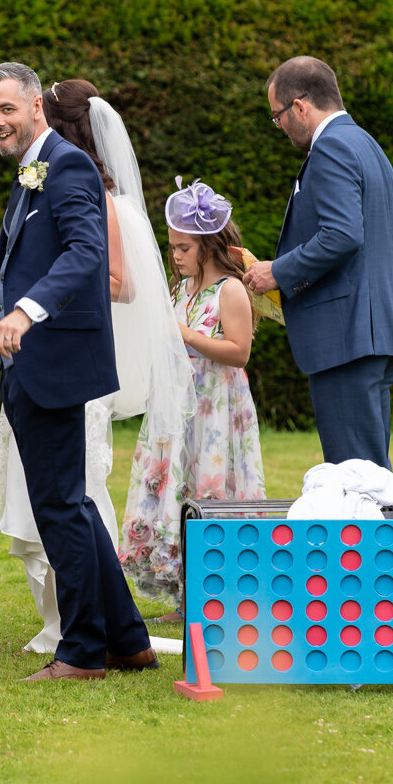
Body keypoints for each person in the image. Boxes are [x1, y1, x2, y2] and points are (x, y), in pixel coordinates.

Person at [0, 78, 189, 653]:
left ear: (36, 105)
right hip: (36, 362)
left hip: (54, 361)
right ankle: (129, 638)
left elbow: (85, 254)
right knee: (76, 505)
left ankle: (84, 649)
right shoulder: (31, 170)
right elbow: (27, 261)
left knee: (60, 508)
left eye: (8, 108)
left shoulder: (65, 167)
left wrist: (23, 312)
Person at [241, 56, 393, 469]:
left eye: (277, 116)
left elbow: (342, 235)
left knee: (355, 478)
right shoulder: (368, 146)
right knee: (368, 473)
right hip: (371, 334)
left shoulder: (332, 148)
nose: (279, 126)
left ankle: (385, 534)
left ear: (300, 106)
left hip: (347, 341)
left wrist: (277, 272)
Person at [120, 181, 266, 603]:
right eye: (173, 248)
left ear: (208, 245)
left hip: (215, 410)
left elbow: (238, 352)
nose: (176, 256)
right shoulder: (179, 288)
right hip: (177, 407)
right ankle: (182, 594)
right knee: (176, 490)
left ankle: (214, 594)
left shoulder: (230, 290)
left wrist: (183, 333)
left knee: (208, 488)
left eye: (184, 248)